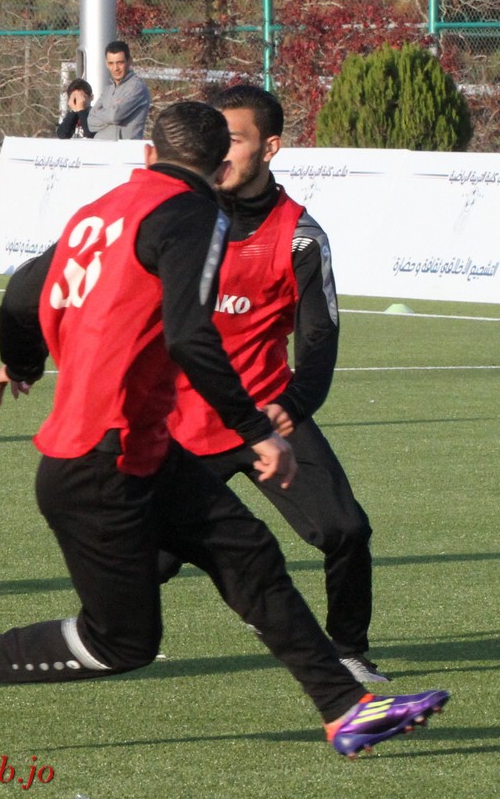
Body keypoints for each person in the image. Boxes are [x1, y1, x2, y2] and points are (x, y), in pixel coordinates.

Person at [0, 102, 448, 757]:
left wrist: (23, 362)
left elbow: (21, 292)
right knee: (121, 643)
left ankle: (347, 710)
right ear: (218, 167)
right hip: (101, 460)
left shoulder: (101, 209)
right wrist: (257, 429)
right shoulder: (195, 213)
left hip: (141, 448)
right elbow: (190, 336)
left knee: (249, 553)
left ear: (149, 154)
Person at [160, 85, 385, 684]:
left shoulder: (301, 236)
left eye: (234, 140)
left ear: (271, 147)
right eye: (214, 140)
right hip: (183, 422)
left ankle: (348, 651)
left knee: (345, 530)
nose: (220, 153)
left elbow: (319, 343)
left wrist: (290, 406)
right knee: (145, 563)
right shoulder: (176, 220)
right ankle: (93, 642)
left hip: (267, 417)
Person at [87, 40, 151, 141]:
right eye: (111, 63)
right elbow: (90, 121)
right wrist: (110, 114)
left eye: (120, 63)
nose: (115, 68)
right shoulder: (107, 91)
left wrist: (99, 113)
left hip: (124, 149)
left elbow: (115, 116)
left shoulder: (137, 87)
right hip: (100, 146)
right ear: (106, 64)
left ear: (129, 61)